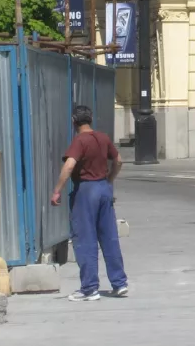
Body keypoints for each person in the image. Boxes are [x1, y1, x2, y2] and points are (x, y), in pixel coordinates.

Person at [51, 105, 129, 302]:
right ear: (91, 119)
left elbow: (69, 166)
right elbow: (118, 161)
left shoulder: (80, 141)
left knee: (85, 239)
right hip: (103, 189)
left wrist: (57, 190)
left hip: (86, 191)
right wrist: (109, 180)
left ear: (73, 121)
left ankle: (89, 288)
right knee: (109, 237)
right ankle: (119, 283)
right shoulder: (103, 138)